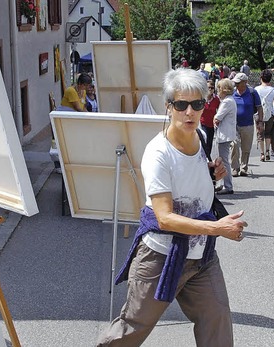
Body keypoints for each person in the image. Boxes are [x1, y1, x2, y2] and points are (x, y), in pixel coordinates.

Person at [97, 68, 247, 347]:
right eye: (181, 105)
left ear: (205, 104)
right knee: (131, 330)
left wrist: (211, 172)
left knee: (217, 321)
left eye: (197, 104)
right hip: (161, 256)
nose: (189, 112)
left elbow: (189, 177)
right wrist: (217, 227)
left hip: (201, 258)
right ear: (169, 107)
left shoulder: (200, 135)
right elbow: (164, 218)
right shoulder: (158, 153)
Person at [230, 72, 262, 176]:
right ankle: (235, 167)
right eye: (236, 83)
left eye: (238, 83)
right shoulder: (232, 93)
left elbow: (259, 107)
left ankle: (244, 167)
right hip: (234, 124)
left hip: (248, 124)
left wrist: (260, 122)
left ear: (245, 82)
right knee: (234, 145)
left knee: (246, 148)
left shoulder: (252, 92)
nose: (236, 84)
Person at [213, 78, 237, 195]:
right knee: (222, 159)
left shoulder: (227, 101)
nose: (217, 91)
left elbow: (217, 117)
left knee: (224, 160)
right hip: (225, 134)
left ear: (223, 89)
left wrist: (215, 119)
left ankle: (228, 186)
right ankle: (222, 183)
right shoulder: (229, 100)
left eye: (219, 88)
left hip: (224, 134)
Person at [254, 69, 274, 161]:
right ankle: (268, 151)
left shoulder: (256, 89)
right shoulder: (273, 90)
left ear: (261, 78)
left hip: (258, 114)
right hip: (270, 114)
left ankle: (262, 154)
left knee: (260, 133)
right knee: (268, 133)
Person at [200, 80, 220, 155]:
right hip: (203, 123)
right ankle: (203, 157)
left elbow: (220, 110)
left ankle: (208, 158)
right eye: (208, 88)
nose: (210, 89)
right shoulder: (202, 98)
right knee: (204, 140)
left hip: (211, 124)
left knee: (209, 142)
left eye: (212, 88)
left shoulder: (216, 99)